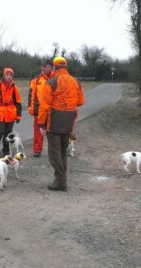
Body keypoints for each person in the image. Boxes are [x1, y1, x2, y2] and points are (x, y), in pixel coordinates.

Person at [38, 56, 84, 191]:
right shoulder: (76, 81)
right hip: (69, 120)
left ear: (54, 67)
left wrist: (41, 124)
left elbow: (44, 106)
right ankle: (61, 180)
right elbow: (80, 101)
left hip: (54, 121)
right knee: (63, 152)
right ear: (66, 66)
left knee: (54, 153)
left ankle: (61, 181)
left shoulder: (52, 82)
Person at [0, 68, 22, 157]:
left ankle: (6, 150)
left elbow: (18, 102)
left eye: (11, 75)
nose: (9, 76)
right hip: (0, 114)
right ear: (4, 75)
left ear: (12, 77)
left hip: (10, 114)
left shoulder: (14, 87)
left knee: (8, 133)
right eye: (7, 74)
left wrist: (18, 115)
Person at [28, 61, 53, 157]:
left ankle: (54, 150)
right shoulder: (36, 80)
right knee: (38, 131)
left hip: (52, 110)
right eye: (41, 68)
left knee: (53, 131)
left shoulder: (56, 78)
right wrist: (31, 108)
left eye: (45, 68)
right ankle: (37, 150)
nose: (42, 70)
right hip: (39, 110)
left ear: (50, 67)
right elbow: (31, 95)